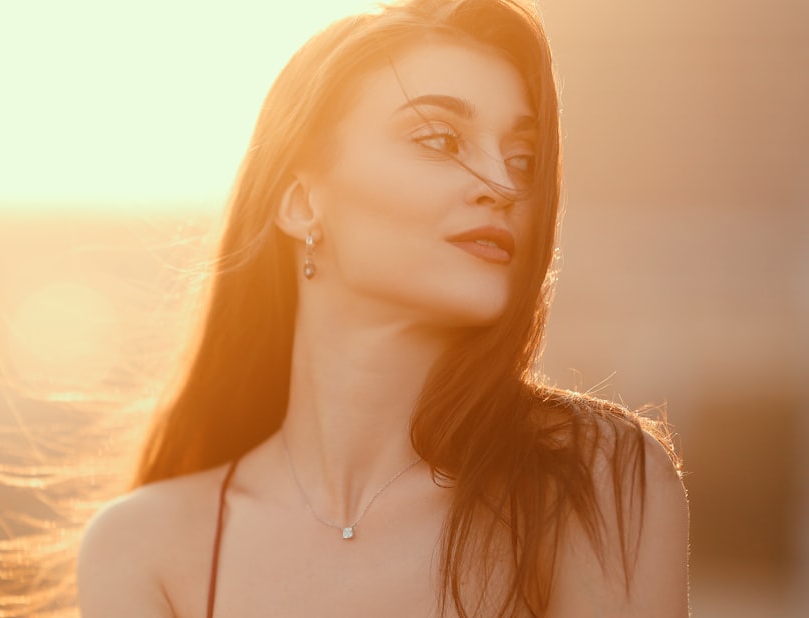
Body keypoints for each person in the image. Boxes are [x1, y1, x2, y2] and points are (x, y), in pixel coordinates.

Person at [76, 0, 690, 616]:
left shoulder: (599, 481)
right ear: (300, 202)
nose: (503, 186)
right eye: (440, 139)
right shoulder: (143, 547)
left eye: (523, 159)